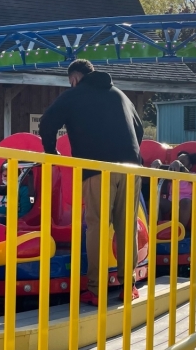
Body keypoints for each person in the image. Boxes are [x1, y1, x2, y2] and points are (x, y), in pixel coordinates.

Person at [39, 59, 143, 305]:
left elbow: (47, 122)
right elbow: (138, 130)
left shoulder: (74, 95)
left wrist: (50, 153)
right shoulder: (121, 95)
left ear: (74, 78)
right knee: (127, 226)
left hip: (97, 168)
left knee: (96, 226)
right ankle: (128, 286)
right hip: (132, 167)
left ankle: (95, 290)